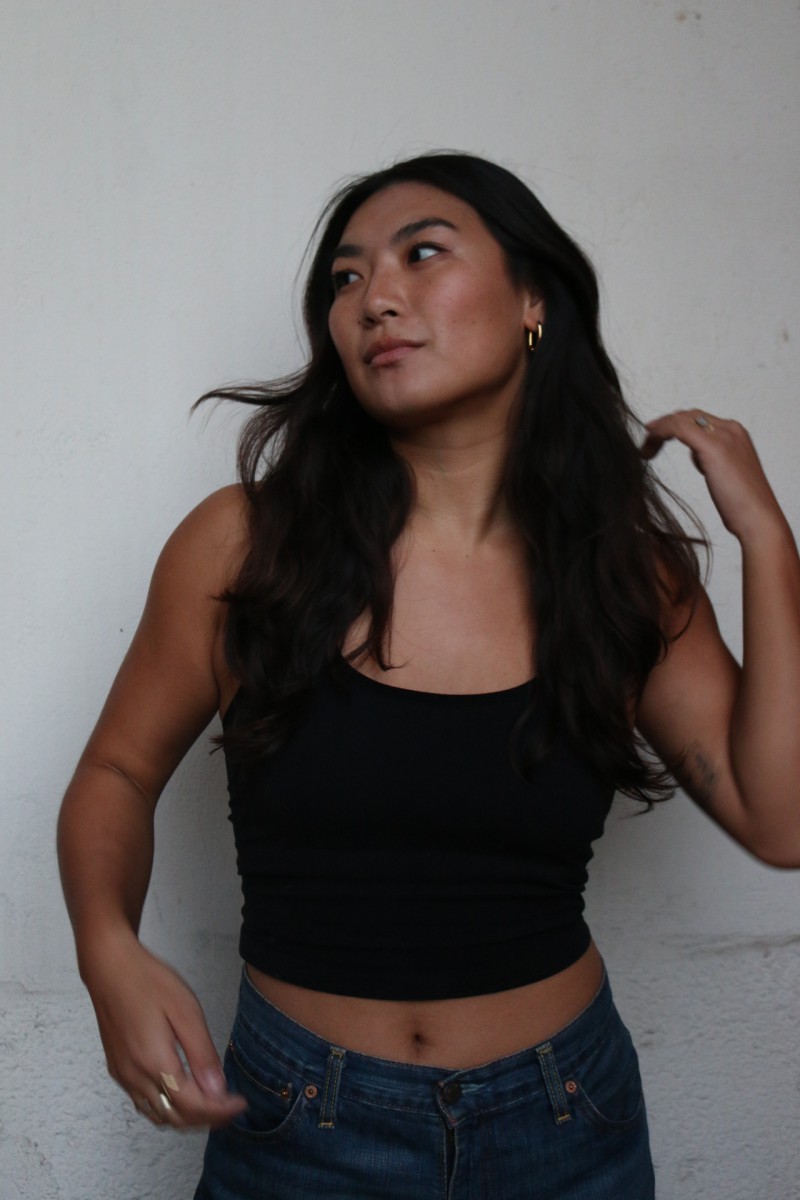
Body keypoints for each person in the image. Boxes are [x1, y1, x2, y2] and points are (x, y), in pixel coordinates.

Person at [57, 152, 800, 1199]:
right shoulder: (243, 547)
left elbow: (781, 822)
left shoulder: (621, 574)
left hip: (565, 1123)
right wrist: (105, 948)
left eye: (422, 255)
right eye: (346, 277)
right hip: (299, 1127)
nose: (375, 297)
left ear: (533, 301)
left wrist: (767, 540)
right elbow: (117, 772)